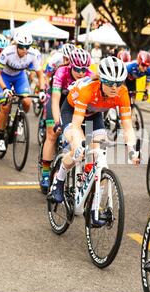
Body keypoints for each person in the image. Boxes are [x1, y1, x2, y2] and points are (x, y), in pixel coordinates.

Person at [48, 57, 139, 220]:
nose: (114, 87)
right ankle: (59, 181)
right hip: (71, 111)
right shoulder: (88, 89)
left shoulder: (122, 93)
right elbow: (76, 125)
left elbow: (128, 126)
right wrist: (80, 142)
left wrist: (132, 149)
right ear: (101, 80)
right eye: (110, 83)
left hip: (95, 114)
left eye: (118, 83)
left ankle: (92, 205)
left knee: (99, 156)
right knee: (78, 150)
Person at [39, 48, 94, 193]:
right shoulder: (61, 72)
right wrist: (57, 122)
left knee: (84, 136)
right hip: (59, 100)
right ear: (71, 65)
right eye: (77, 69)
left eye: (84, 69)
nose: (81, 73)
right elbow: (56, 100)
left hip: (75, 104)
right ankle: (45, 173)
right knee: (52, 133)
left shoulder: (89, 76)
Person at [0, 31, 46, 152]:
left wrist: (42, 90)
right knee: (5, 106)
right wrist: (5, 89)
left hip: (19, 77)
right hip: (4, 77)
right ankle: (1, 135)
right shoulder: (7, 52)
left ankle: (20, 120)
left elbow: (40, 74)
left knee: (27, 102)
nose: (25, 50)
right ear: (16, 45)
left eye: (27, 47)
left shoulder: (33, 53)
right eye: (22, 47)